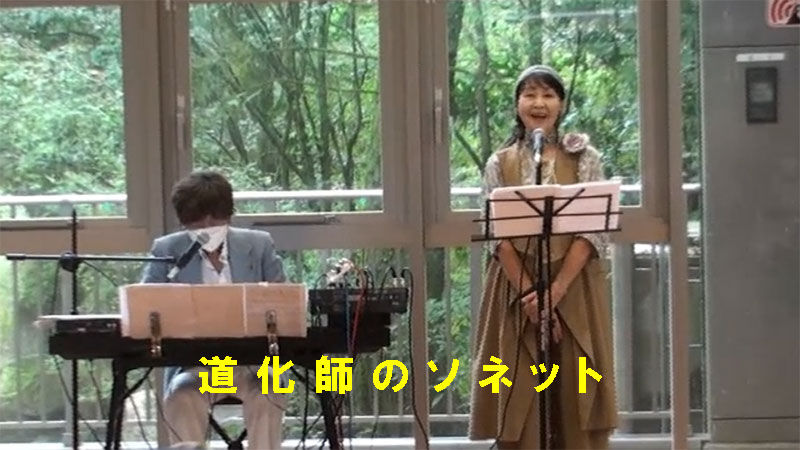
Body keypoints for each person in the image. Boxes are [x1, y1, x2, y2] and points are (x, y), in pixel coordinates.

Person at [469, 65, 617, 449]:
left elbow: (592, 231)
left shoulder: (585, 157)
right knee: (518, 386)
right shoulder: (499, 162)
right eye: (530, 94)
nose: (539, 103)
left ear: (561, 105)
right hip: (515, 286)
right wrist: (531, 297)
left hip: (574, 283)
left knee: (577, 384)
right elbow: (496, 237)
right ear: (517, 104)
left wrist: (555, 293)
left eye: (548, 95)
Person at [141, 170, 285, 449]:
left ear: (228, 215)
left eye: (214, 219)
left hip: (254, 365)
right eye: (197, 222)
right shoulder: (167, 249)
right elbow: (147, 304)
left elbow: (282, 299)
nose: (207, 226)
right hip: (195, 366)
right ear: (184, 221)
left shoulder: (259, 244)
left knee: (269, 392)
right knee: (181, 396)